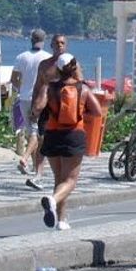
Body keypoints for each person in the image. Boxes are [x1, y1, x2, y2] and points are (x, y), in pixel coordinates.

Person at [38, 53, 100, 231]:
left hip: (52, 134)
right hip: (73, 134)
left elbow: (38, 107)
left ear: (57, 68)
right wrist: (80, 115)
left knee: (59, 179)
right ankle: (53, 201)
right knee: (70, 181)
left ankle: (61, 220)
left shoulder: (50, 87)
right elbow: (96, 112)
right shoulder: (83, 89)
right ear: (74, 68)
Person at [26, 33, 69, 191]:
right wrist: (33, 107)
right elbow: (38, 86)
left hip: (65, 108)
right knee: (42, 138)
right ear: (51, 45)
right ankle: (38, 175)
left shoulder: (71, 64)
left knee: (63, 142)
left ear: (66, 45)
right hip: (47, 106)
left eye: (62, 43)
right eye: (57, 43)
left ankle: (63, 175)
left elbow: (79, 84)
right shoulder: (44, 65)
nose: (59, 45)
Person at [9, 28, 50, 174]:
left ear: (31, 39)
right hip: (39, 98)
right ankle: (25, 158)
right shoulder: (47, 58)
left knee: (30, 131)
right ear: (44, 40)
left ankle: (33, 166)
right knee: (36, 132)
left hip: (24, 97)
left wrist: (20, 89)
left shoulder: (21, 57)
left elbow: (13, 79)